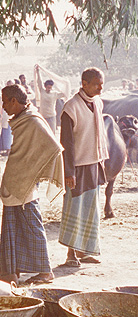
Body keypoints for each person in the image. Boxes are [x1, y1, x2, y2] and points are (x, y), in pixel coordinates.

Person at [0, 84, 64, 285]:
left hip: (25, 184)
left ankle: (45, 272)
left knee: (32, 226)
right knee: (12, 226)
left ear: (14, 101)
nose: (3, 106)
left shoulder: (32, 120)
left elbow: (53, 147)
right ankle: (10, 272)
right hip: (15, 182)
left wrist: (35, 171)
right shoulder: (22, 119)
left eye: (5, 101)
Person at [59, 67, 109, 267]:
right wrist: (69, 171)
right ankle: (71, 254)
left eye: (101, 83)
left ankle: (85, 251)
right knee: (74, 209)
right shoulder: (70, 108)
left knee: (91, 208)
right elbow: (66, 144)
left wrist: (101, 161)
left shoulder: (97, 102)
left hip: (93, 163)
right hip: (77, 166)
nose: (100, 88)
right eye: (97, 84)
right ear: (84, 84)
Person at [0, 80, 14, 155]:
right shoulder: (4, 93)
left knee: (9, 131)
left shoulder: (15, 94)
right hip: (5, 113)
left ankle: (8, 149)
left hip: (10, 113)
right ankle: (4, 148)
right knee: (5, 130)